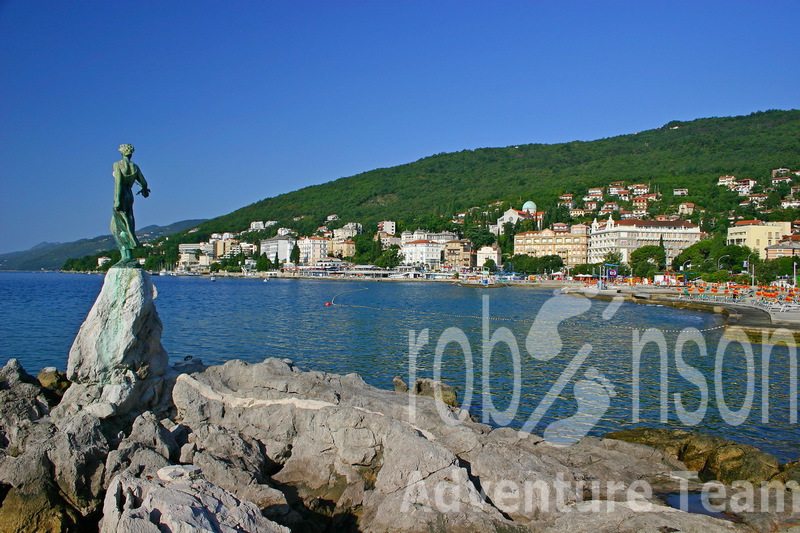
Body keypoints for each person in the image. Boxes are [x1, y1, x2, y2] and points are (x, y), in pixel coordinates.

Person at [111, 144, 150, 266]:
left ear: (122, 152)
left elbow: (118, 183)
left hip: (121, 195)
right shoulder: (135, 167)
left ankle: (125, 256)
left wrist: (117, 200)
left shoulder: (118, 165)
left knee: (117, 227)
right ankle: (129, 254)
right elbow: (144, 182)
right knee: (128, 222)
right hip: (129, 195)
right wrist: (144, 190)